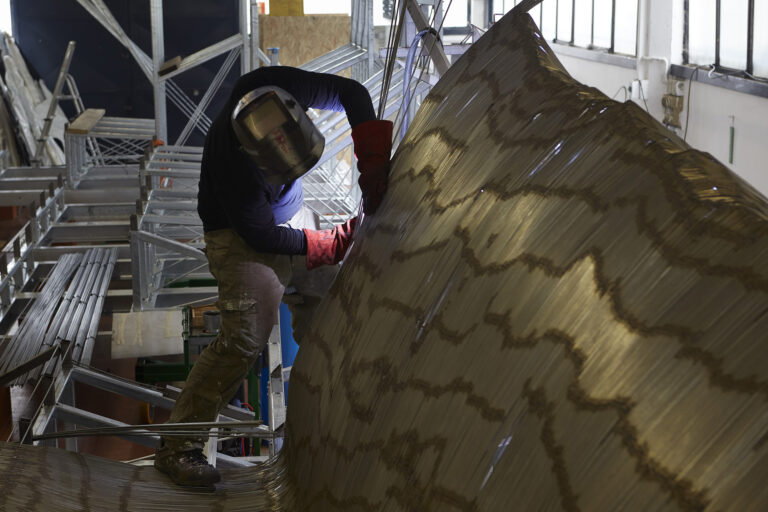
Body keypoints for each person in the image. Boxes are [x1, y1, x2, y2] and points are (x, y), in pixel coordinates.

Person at [154, 66, 392, 489]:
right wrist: (321, 245)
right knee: (243, 340)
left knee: (332, 300)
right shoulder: (234, 166)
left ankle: (326, 416)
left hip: (288, 216)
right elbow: (258, 234)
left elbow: (352, 93)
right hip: (239, 238)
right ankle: (178, 447)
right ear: (255, 158)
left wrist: (372, 160)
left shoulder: (272, 89)